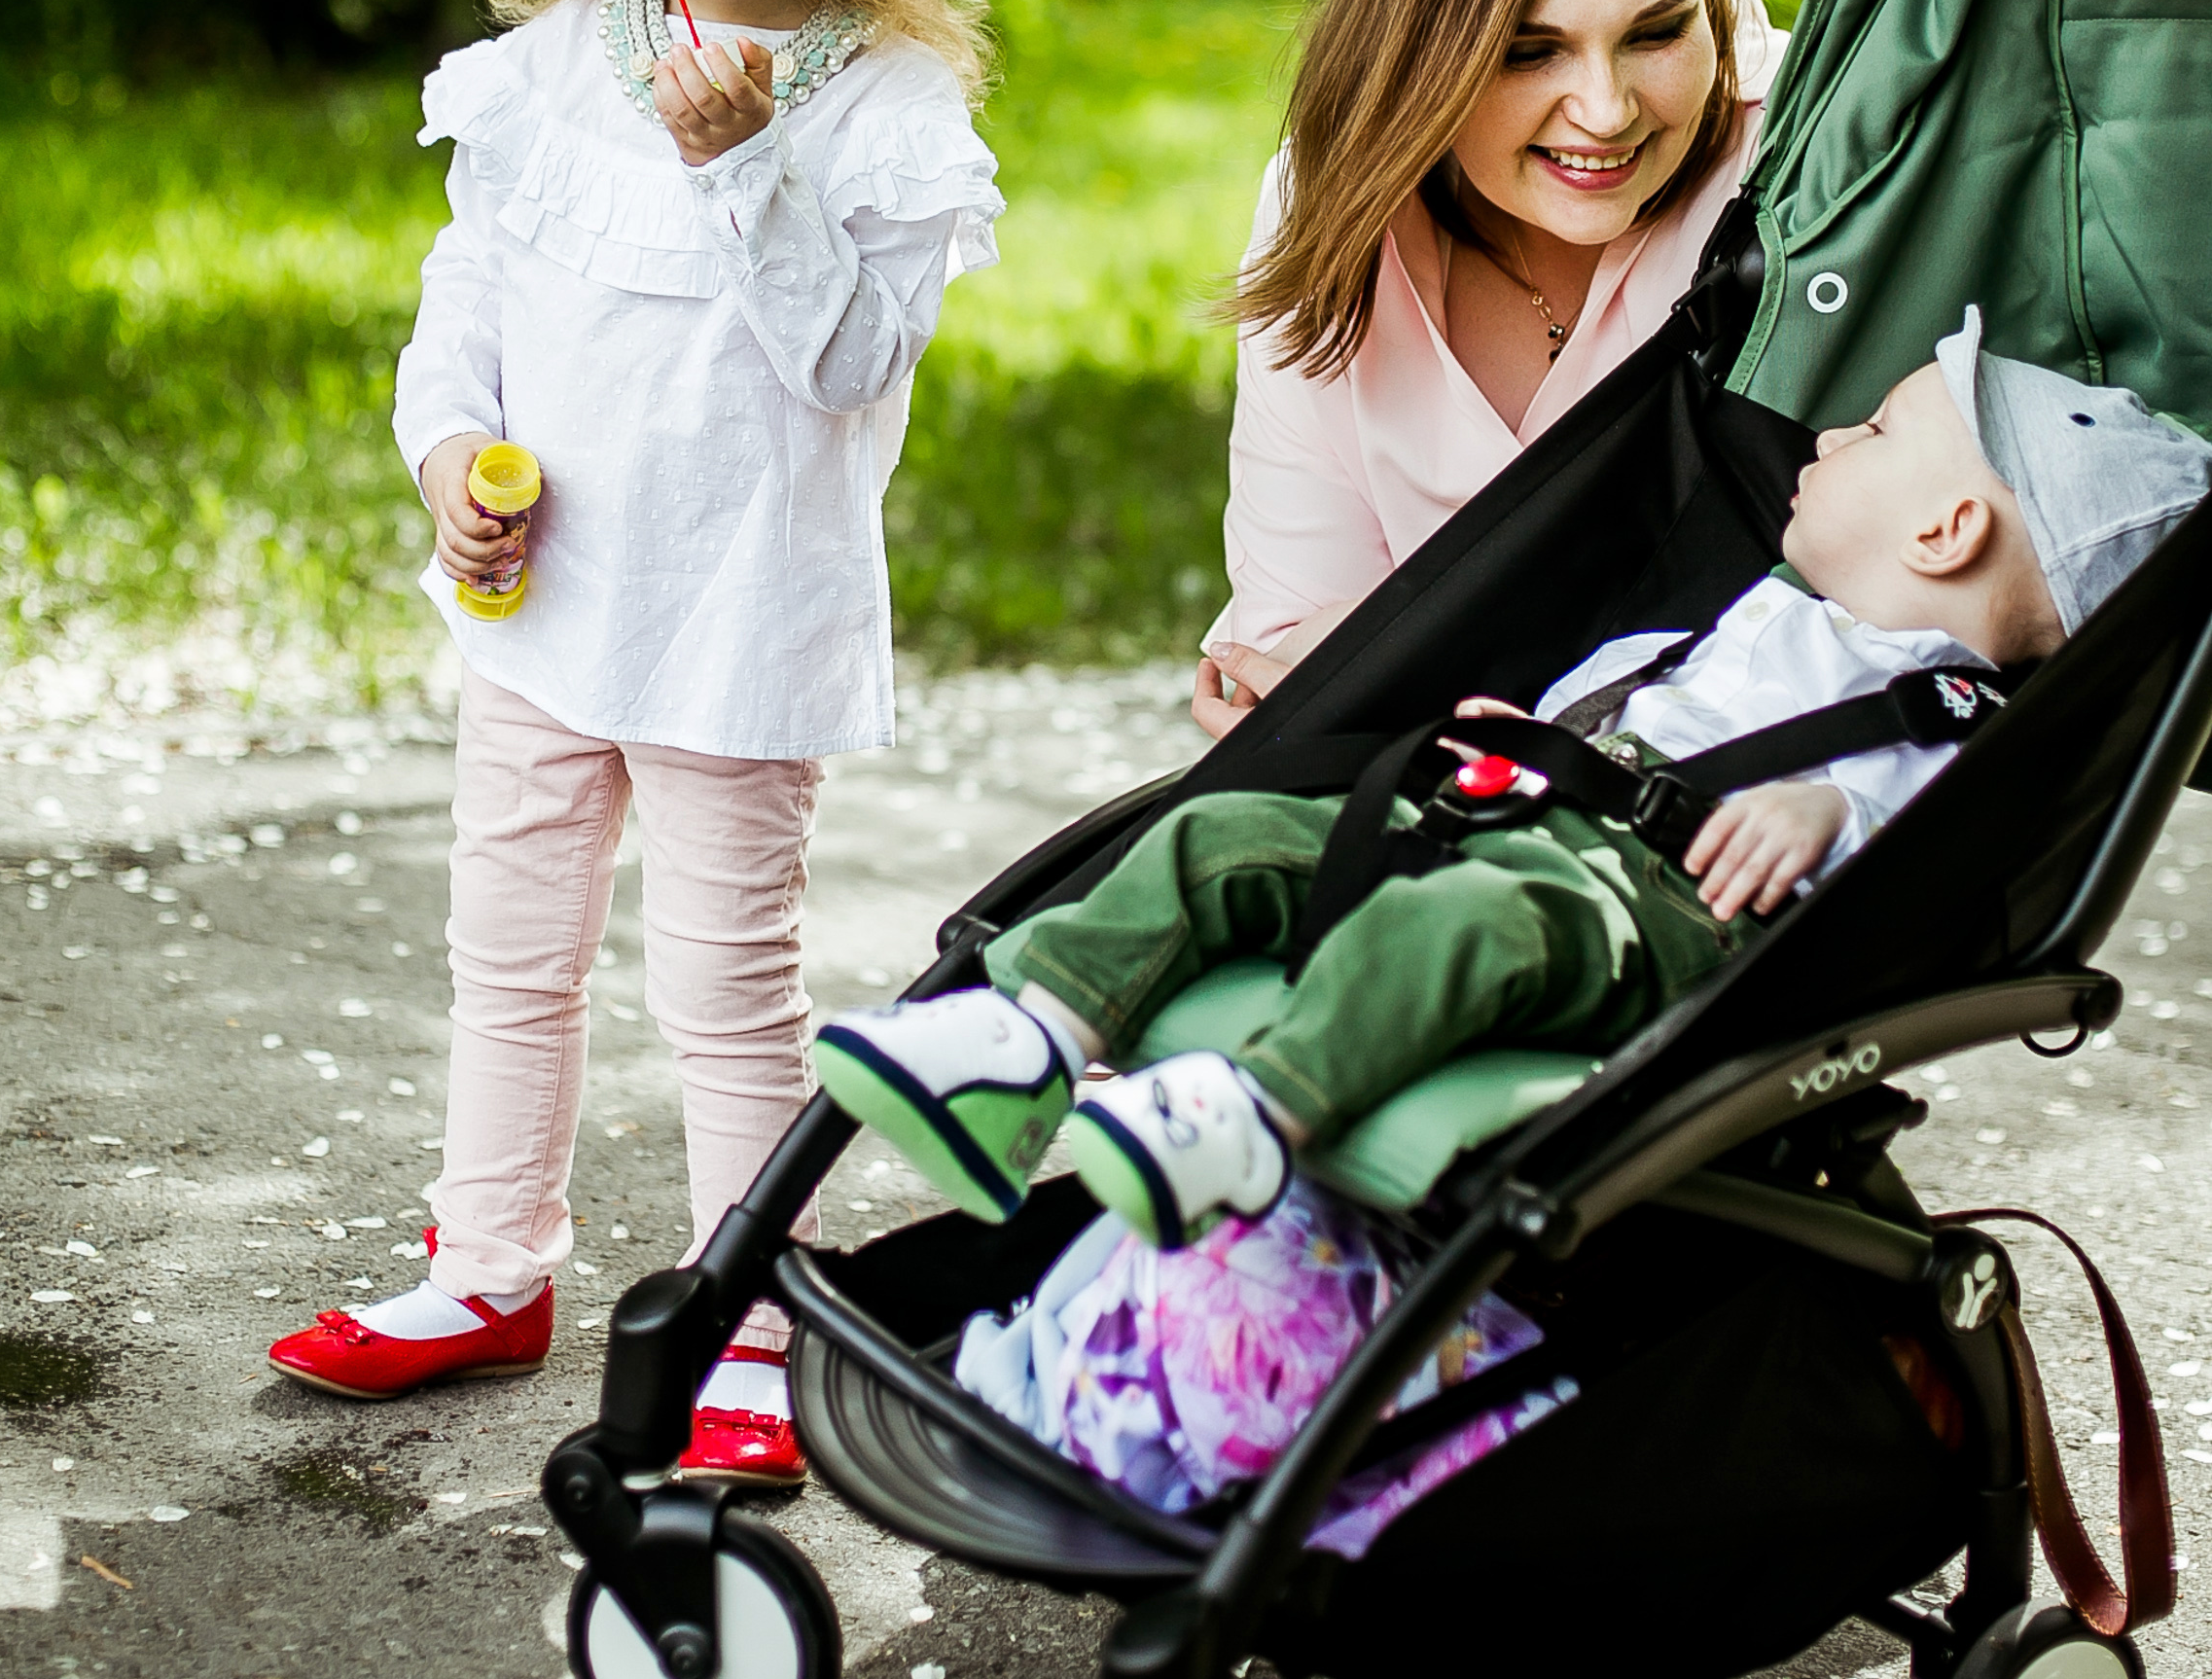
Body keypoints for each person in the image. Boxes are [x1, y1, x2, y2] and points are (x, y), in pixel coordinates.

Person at [268, 0, 1018, 1485]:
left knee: (723, 982)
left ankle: (750, 1317)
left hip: (728, 632)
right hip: (538, 616)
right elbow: (461, 316)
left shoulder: (880, 108)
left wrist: (741, 163)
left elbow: (847, 359)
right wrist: (445, 453)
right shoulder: (539, 76)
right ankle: (487, 1260)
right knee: (505, 950)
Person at [819, 312, 2211, 1249]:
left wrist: (1830, 810)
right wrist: (1543, 723)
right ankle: (1025, 1048)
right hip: (1530, 812)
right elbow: (1650, 689)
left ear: (1949, 524)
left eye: (1881, 433)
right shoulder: (1789, 615)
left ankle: (1255, 1113)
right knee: (1231, 829)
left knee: (1454, 930)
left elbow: (1924, 863)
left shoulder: (1944, 718)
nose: (1834, 437)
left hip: (1652, 918)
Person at [1192, 0, 1782, 743]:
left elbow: (1867, 604)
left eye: (1657, 32)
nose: (1604, 109)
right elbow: (1285, 649)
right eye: (1525, 50)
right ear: (1422, 46)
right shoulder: (1332, 194)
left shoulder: (1806, 169)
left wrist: (1419, 659)